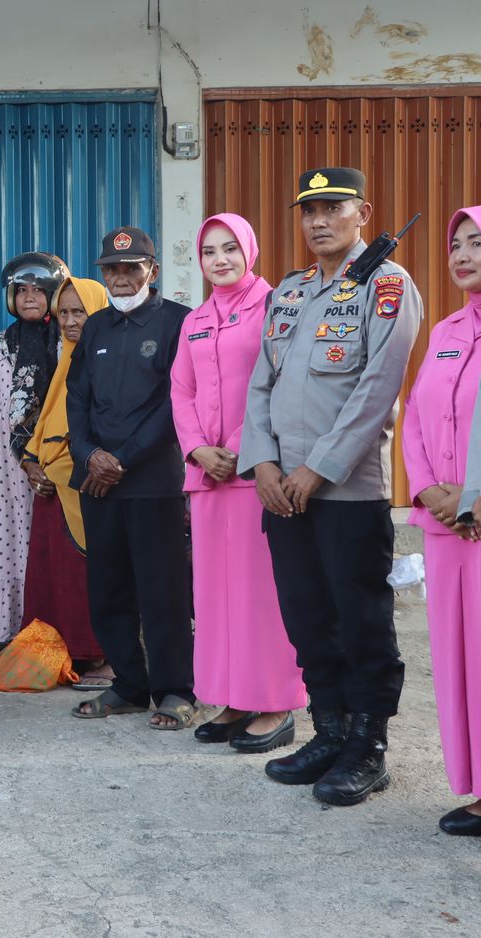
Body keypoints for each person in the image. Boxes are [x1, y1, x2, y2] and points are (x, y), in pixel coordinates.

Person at [238, 168, 421, 806]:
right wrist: (261, 463)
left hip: (346, 491)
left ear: (362, 213)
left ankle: (368, 747)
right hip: (282, 492)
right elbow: (260, 383)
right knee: (307, 617)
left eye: (332, 208)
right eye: (309, 211)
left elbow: (377, 389)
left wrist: (317, 467)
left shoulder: (387, 286)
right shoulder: (289, 292)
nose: (318, 221)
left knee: (361, 619)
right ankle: (330, 731)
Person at [170, 216, 305, 752]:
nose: (220, 259)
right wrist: (197, 449)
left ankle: (274, 702)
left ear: (250, 250)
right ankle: (230, 696)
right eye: (209, 251)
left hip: (256, 474)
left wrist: (237, 448)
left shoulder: (277, 306)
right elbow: (181, 390)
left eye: (230, 248)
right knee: (215, 596)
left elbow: (281, 383)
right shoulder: (196, 320)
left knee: (261, 594)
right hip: (208, 477)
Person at [68, 228, 194, 729]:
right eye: (112, 270)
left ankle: (174, 689)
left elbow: (174, 404)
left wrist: (120, 460)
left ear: (152, 271)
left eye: (131, 268)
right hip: (97, 482)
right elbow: (77, 399)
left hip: (152, 482)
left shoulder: (177, 322)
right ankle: (129, 685)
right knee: (108, 589)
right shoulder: (96, 327)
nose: (120, 278)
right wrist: (89, 455)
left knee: (162, 591)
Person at [410, 203, 481, 835]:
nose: (462, 255)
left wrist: (476, 500)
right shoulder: (445, 330)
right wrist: (425, 490)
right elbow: (416, 415)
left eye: (478, 243)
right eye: (456, 244)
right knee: (459, 660)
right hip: (446, 526)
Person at [0, 252, 66, 645]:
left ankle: (46, 627)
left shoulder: (65, 341)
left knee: (45, 539)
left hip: (53, 455)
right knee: (4, 538)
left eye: (38, 291)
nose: (29, 297)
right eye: (22, 290)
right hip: (3, 458)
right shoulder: (0, 344)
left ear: (53, 296)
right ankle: (4, 630)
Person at [20, 275, 111, 685]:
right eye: (64, 313)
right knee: (52, 576)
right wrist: (32, 465)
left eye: (80, 313)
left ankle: (98, 653)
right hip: (52, 491)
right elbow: (44, 427)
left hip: (86, 488)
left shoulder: (106, 361)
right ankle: (60, 649)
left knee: (87, 576)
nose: (71, 322)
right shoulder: (66, 361)